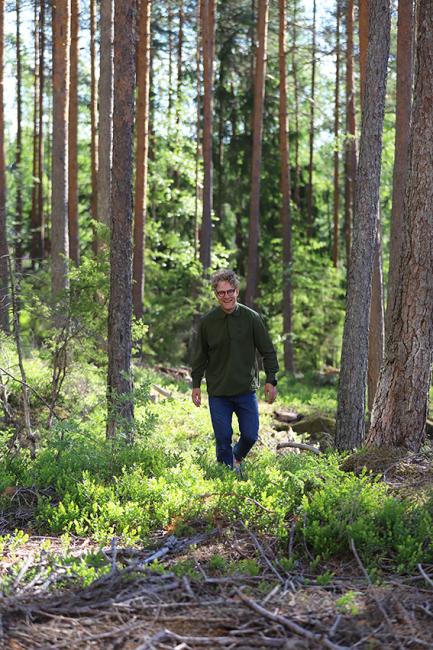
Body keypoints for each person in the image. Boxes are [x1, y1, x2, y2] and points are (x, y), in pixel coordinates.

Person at [191, 269, 279, 470]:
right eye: (221, 293)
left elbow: (268, 351)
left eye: (230, 291)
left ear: (237, 291)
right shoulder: (207, 322)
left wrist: (271, 379)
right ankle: (226, 478)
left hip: (245, 390)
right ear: (216, 295)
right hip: (218, 392)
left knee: (250, 435)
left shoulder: (252, 318)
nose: (226, 296)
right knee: (222, 438)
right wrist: (196, 384)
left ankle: (236, 457)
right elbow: (200, 357)